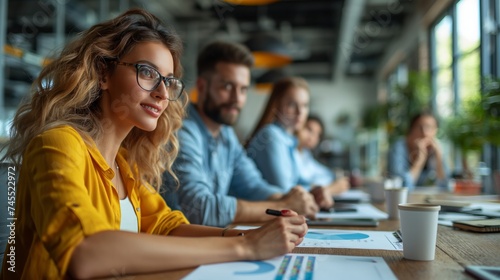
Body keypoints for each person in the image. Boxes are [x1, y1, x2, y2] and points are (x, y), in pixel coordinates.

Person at [0, 9, 308, 279]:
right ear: (103, 73)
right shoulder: (58, 144)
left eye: (169, 80)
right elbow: (85, 251)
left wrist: (251, 234)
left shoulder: (123, 163)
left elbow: (166, 226)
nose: (162, 93)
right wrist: (244, 246)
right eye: (147, 72)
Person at [162, 41, 318, 228]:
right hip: (177, 248)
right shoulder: (182, 130)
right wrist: (283, 206)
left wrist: (292, 199)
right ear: (202, 87)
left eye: (243, 89)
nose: (237, 99)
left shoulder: (226, 134)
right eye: (227, 87)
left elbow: (252, 185)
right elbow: (199, 209)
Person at [246, 77, 337, 209]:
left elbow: (301, 180)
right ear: (276, 106)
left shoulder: (289, 139)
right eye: (292, 105)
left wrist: (316, 188)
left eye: (305, 105)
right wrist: (317, 189)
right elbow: (286, 190)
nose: (300, 112)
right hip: (254, 217)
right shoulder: (271, 136)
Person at [296, 115, 350, 208]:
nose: (313, 137)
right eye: (309, 130)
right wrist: (331, 188)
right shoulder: (291, 153)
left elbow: (326, 174)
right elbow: (297, 187)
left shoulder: (305, 154)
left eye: (318, 134)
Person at [387, 111, 449, 190]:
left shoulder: (436, 149)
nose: (425, 133)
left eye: (429, 128)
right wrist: (420, 160)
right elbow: (401, 187)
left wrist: (439, 157)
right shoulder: (398, 148)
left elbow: (446, 186)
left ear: (435, 131)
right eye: (420, 128)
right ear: (410, 130)